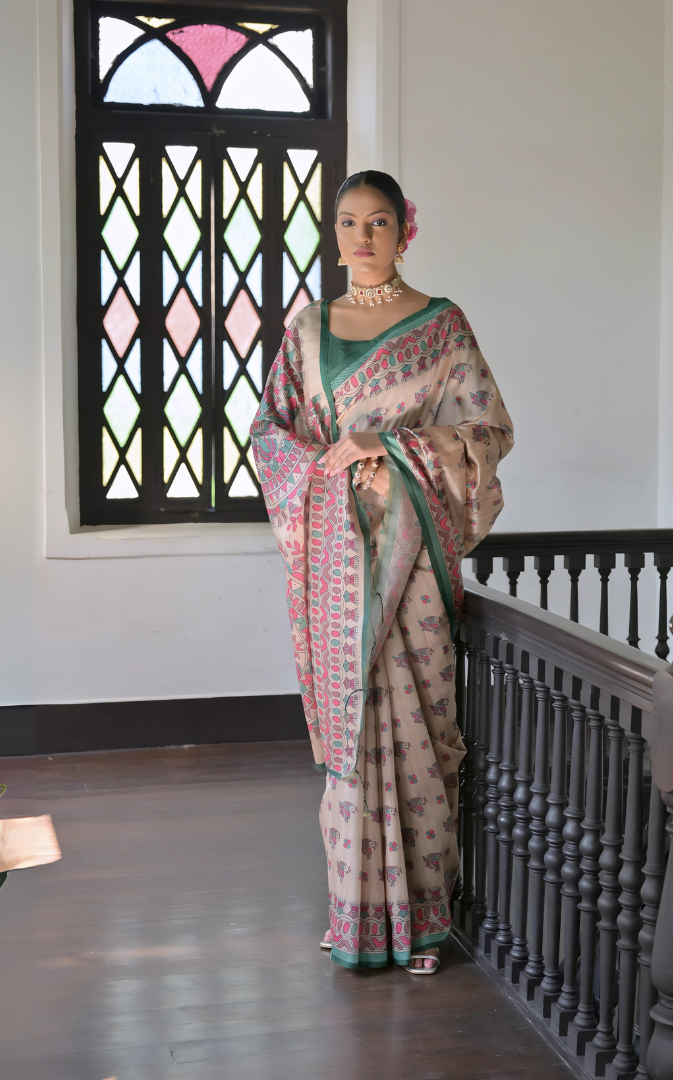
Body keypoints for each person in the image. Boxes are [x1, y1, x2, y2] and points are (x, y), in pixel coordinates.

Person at [251, 170, 513, 973]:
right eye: (348, 223)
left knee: (421, 731)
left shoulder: (442, 326)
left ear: (407, 231)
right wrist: (328, 474)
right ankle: (355, 916)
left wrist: (388, 449)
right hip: (337, 562)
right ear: (335, 233)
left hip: (417, 563)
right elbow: (270, 435)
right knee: (354, 735)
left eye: (378, 223)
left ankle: (424, 920)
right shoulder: (307, 329)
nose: (361, 239)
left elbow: (487, 430)